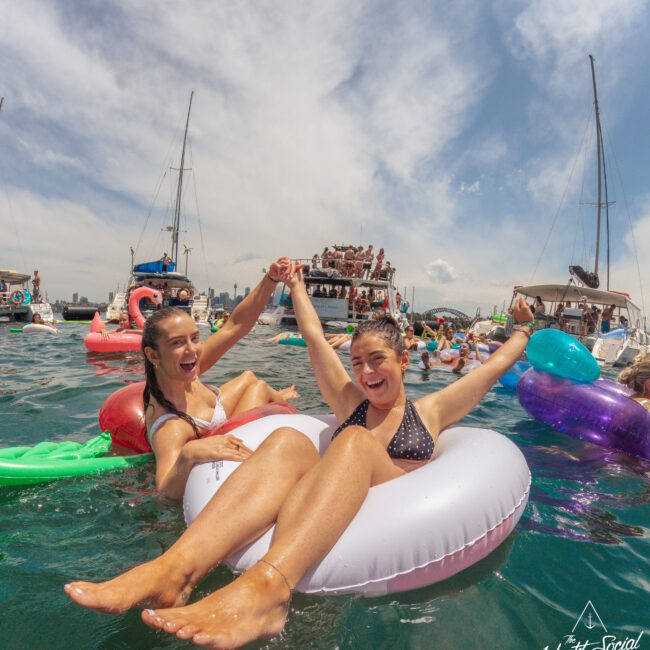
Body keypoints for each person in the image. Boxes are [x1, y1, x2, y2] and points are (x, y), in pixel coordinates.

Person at [63, 261, 534, 648]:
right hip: (326, 501)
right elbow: (311, 333)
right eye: (358, 361)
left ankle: (268, 591)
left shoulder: (431, 411)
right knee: (289, 441)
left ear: (403, 361)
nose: (367, 372)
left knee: (352, 441)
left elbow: (493, 367)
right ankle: (175, 569)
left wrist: (524, 329)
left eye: (379, 360)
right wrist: (296, 284)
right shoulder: (352, 403)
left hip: (392, 512)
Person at [131, 259, 298, 499]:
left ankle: (279, 397)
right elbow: (165, 489)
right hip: (209, 438)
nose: (192, 349)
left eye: (195, 338)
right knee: (258, 388)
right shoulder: (170, 426)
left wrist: (270, 280)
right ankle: (277, 399)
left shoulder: (186, 370)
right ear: (153, 354)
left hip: (217, 417)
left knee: (250, 378)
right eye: (177, 342)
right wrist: (189, 454)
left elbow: (235, 326)